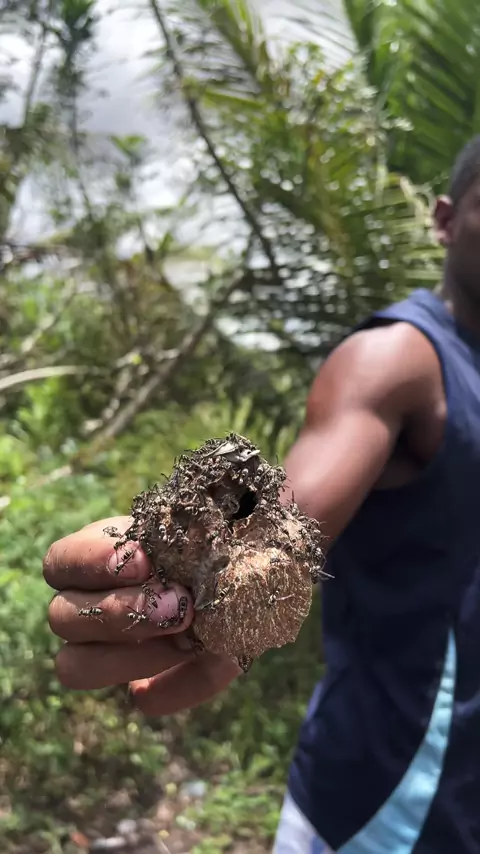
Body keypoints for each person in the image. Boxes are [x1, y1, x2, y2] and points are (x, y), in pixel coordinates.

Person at [44, 136, 480, 854]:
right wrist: (204, 582)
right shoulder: (398, 359)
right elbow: (284, 529)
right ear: (445, 218)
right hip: (393, 795)